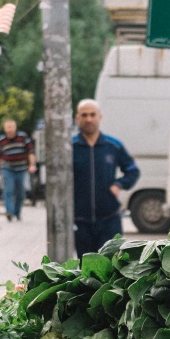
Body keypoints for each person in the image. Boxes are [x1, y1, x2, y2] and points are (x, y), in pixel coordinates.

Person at [70, 99, 139, 255]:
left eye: (92, 115)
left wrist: (119, 184)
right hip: (80, 220)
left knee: (111, 267)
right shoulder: (70, 147)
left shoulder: (113, 146)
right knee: (86, 269)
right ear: (77, 117)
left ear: (100, 116)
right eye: (84, 115)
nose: (88, 119)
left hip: (109, 218)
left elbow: (133, 170)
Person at [0, 114, 36, 222]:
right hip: (7, 168)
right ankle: (10, 211)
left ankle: (17, 212)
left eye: (11, 127)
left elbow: (30, 152)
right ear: (4, 129)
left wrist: (32, 164)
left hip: (21, 168)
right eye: (7, 127)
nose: (10, 130)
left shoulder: (22, 137)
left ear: (15, 127)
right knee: (8, 191)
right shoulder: (1, 140)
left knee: (21, 192)